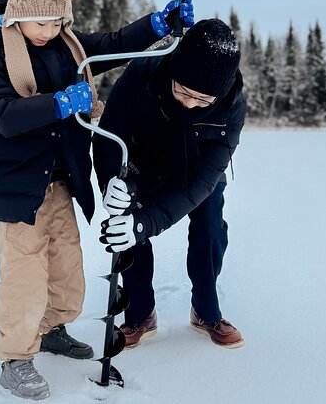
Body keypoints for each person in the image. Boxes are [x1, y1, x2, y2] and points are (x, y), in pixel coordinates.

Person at [0, 0, 194, 400]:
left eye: (57, 22)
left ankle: (51, 328)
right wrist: (56, 104)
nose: (47, 30)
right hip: (18, 185)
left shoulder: (66, 45)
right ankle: (15, 358)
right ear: (20, 14)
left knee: (68, 272)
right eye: (40, 21)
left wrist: (157, 24)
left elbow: (111, 46)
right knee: (24, 275)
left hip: (58, 181)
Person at [93, 19, 246, 351]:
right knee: (126, 225)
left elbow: (205, 180)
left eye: (202, 99)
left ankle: (206, 311)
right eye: (182, 91)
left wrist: (148, 223)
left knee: (210, 228)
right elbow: (109, 136)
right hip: (144, 163)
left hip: (199, 175)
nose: (189, 104)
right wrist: (110, 185)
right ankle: (140, 314)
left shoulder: (233, 104)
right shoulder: (142, 74)